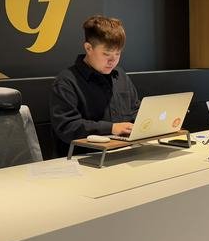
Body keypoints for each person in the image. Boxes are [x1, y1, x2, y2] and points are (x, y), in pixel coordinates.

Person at [50, 16, 141, 149]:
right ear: (88, 48)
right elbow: (67, 127)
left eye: (118, 54)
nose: (113, 61)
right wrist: (112, 128)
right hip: (84, 158)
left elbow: (134, 110)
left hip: (125, 150)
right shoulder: (66, 82)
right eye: (106, 54)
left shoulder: (120, 75)